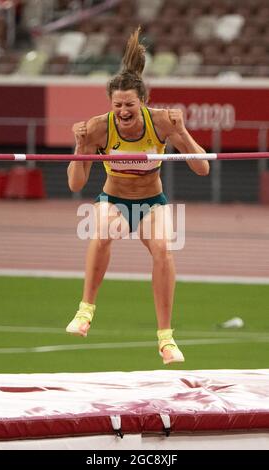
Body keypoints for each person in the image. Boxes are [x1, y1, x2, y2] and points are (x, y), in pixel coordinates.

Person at [66, 27, 209, 365]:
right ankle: (85, 311)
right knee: (100, 234)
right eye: (117, 105)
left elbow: (202, 168)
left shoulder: (161, 122)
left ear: (143, 102)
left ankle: (166, 339)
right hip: (113, 200)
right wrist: (80, 145)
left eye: (129, 104)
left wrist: (182, 131)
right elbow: (75, 184)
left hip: (151, 203)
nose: (124, 112)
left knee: (163, 251)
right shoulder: (100, 127)